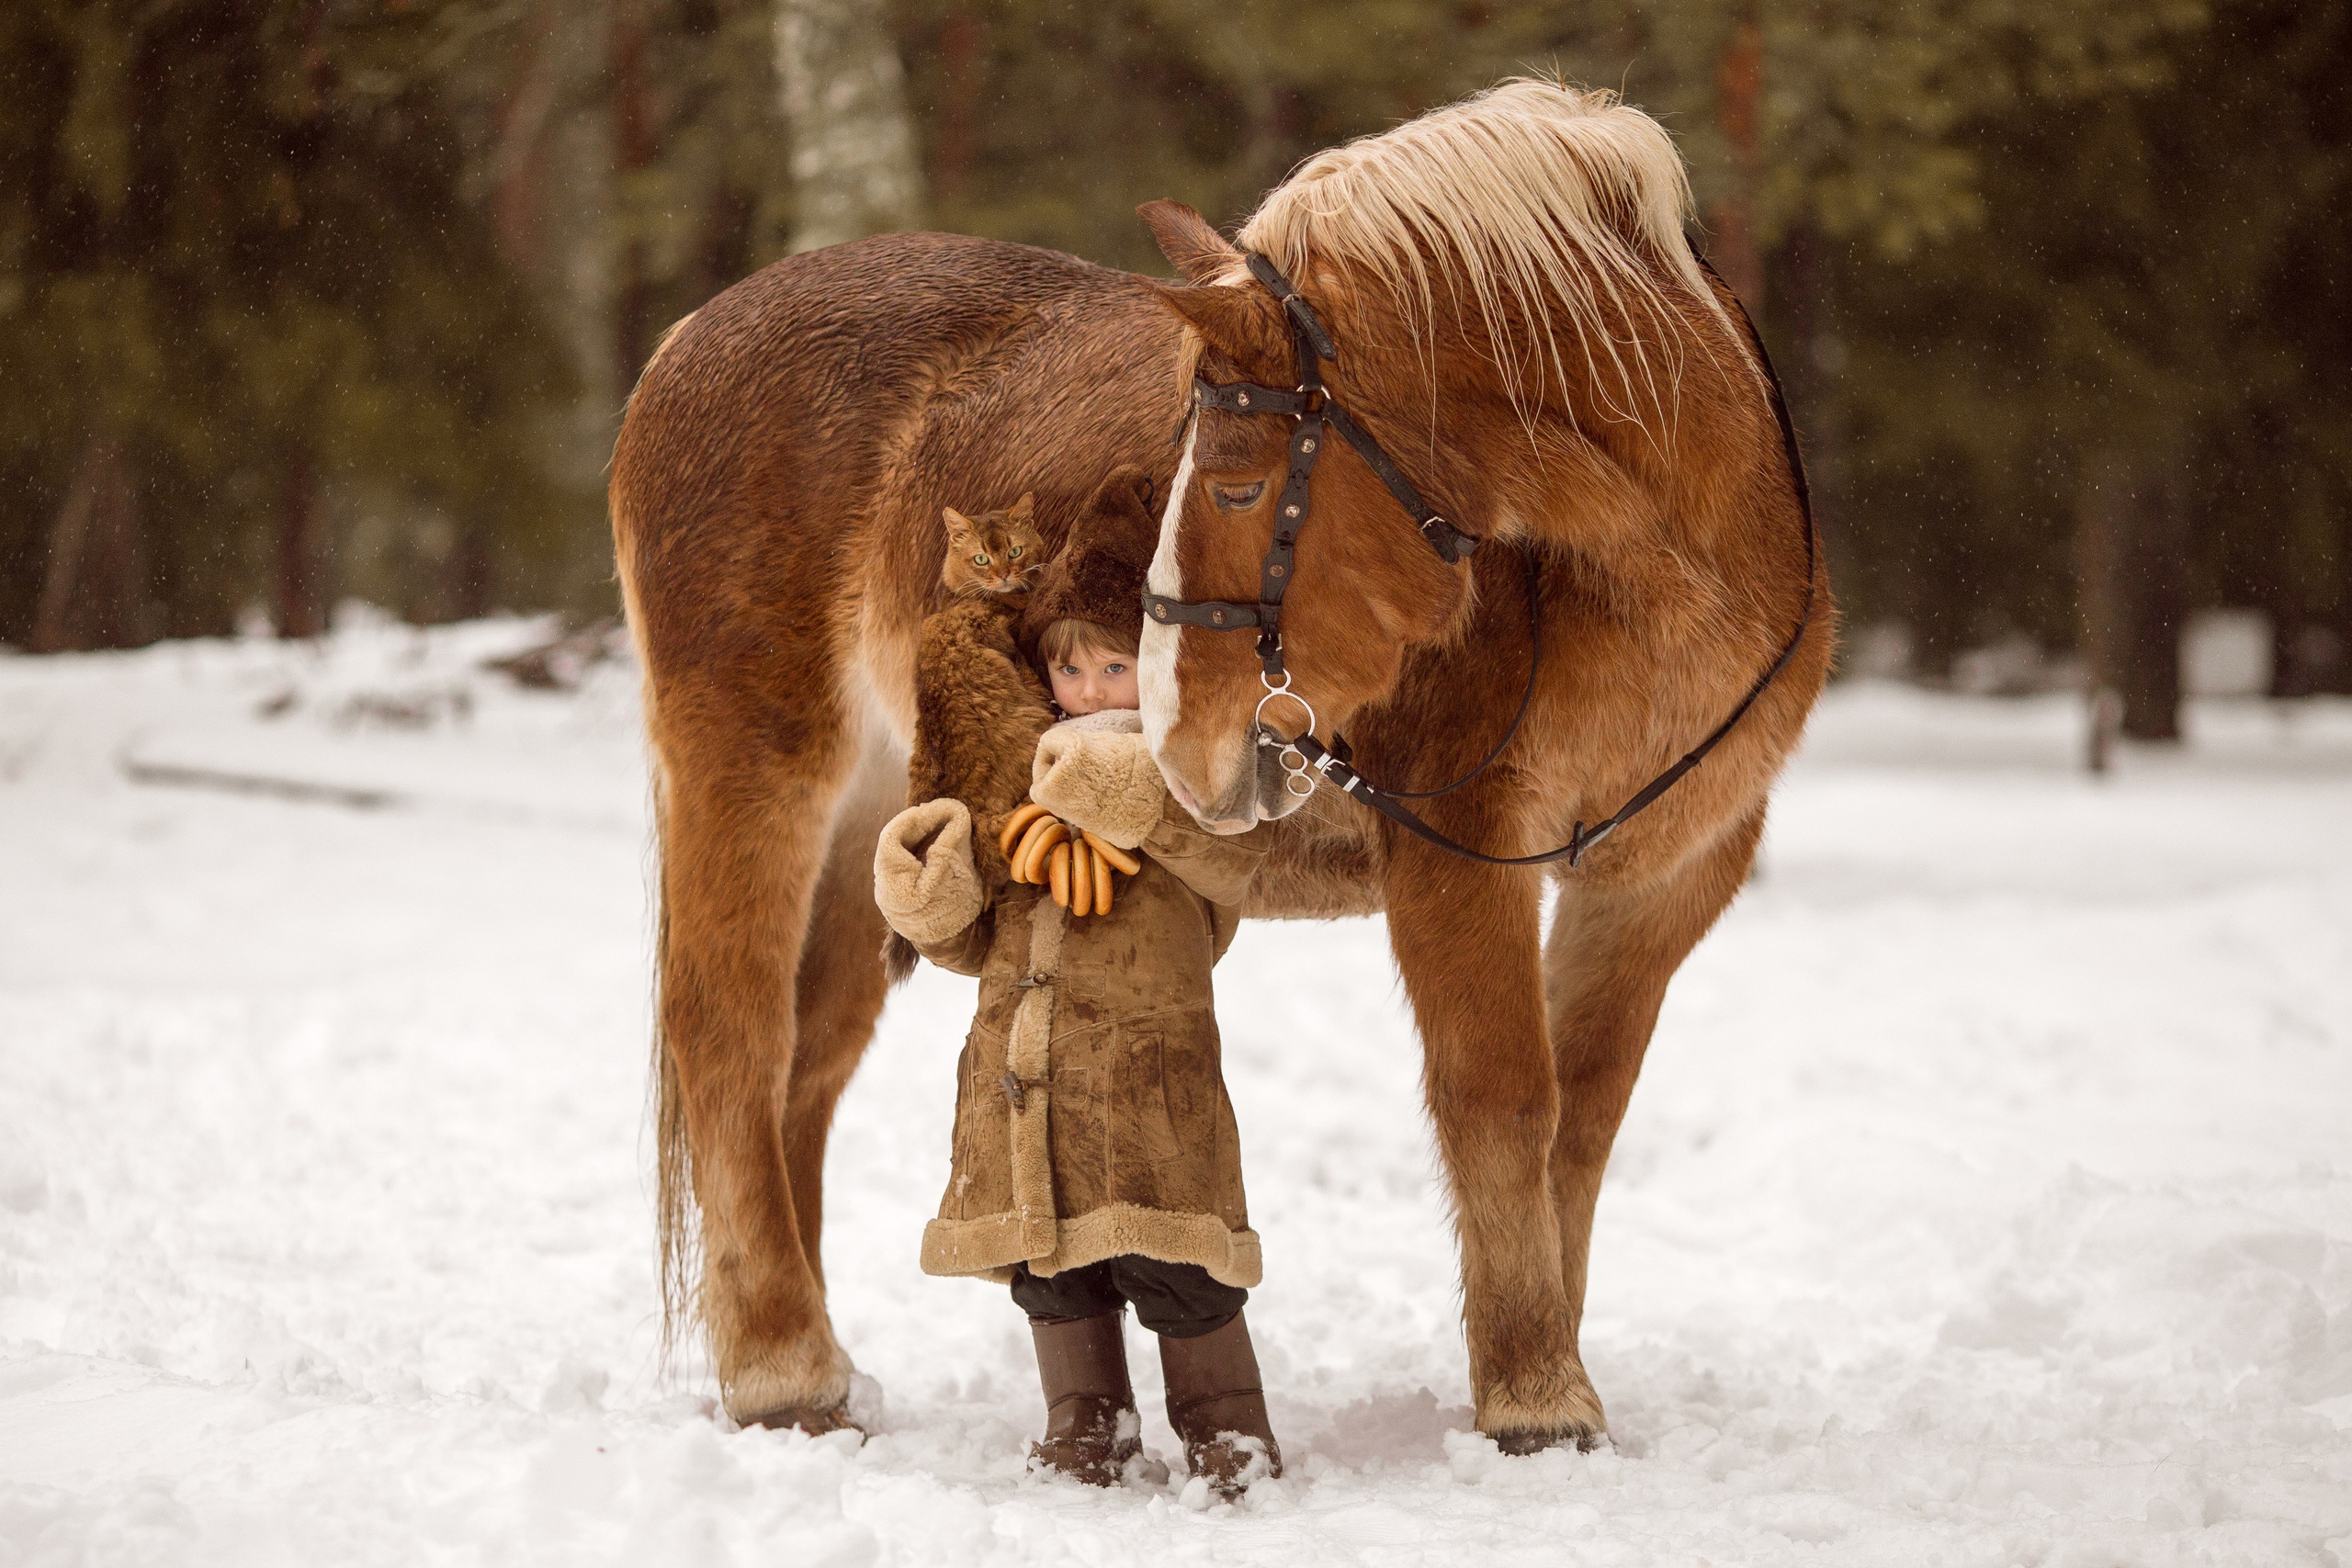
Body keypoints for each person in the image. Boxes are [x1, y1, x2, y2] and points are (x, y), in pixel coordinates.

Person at [873, 467, 1281, 1496]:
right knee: (1052, 1273)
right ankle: (1083, 1416)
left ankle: (1224, 1424)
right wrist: (933, 889)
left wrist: (1131, 800)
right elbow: (980, 945)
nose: (1092, 692)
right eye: (1071, 671)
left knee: (1179, 1268)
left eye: (1114, 668)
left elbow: (1233, 877)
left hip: (1145, 1080)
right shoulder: (1020, 792)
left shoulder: (1195, 784)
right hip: (1024, 1076)